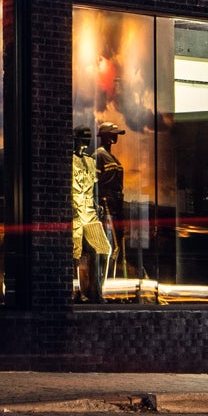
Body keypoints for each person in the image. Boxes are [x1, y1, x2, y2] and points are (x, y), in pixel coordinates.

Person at [70, 126, 111, 301]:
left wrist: (97, 203)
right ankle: (75, 292)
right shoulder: (69, 161)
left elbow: (94, 186)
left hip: (89, 210)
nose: (86, 140)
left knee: (103, 248)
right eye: (83, 136)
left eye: (88, 137)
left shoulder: (90, 161)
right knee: (75, 253)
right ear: (75, 138)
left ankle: (97, 291)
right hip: (75, 209)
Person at [95, 122, 127, 283]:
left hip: (116, 205)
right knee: (108, 247)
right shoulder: (99, 155)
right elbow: (95, 183)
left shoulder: (112, 157)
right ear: (106, 136)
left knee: (117, 247)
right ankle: (103, 286)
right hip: (106, 204)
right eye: (112, 134)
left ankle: (110, 285)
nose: (115, 137)